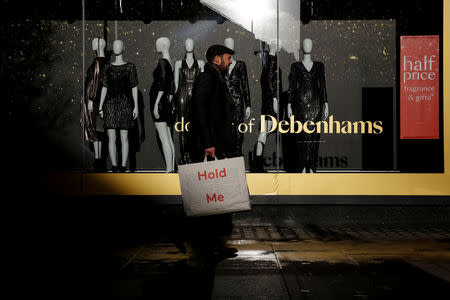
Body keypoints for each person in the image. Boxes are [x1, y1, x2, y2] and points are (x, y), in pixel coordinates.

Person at [184, 44, 238, 259]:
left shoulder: (215, 77)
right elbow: (199, 108)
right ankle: (208, 244)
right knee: (211, 199)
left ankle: (213, 243)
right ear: (217, 59)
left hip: (215, 145)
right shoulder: (207, 77)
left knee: (216, 198)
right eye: (227, 57)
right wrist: (208, 143)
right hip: (209, 147)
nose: (230, 61)